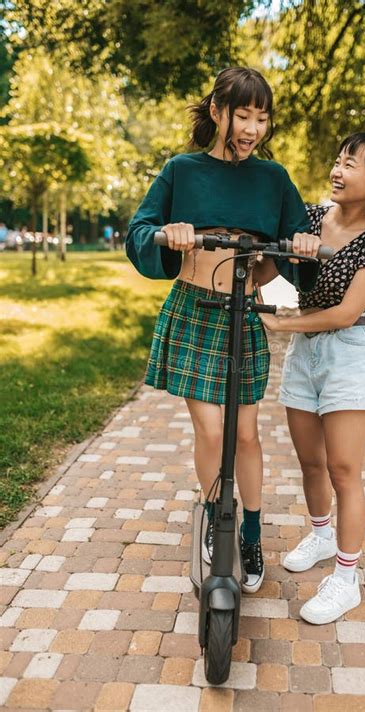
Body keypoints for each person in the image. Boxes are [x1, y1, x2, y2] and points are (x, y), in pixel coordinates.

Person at [126, 67, 320, 594]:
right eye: (243, 115)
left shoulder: (273, 179)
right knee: (212, 431)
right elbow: (138, 232)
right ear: (217, 112)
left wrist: (298, 248)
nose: (253, 128)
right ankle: (218, 515)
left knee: (247, 433)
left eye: (262, 118)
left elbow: (299, 241)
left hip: (244, 314)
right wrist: (169, 234)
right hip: (193, 311)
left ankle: (252, 533)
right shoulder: (181, 171)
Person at [255, 131, 365, 620]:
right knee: (310, 463)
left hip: (347, 352)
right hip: (306, 351)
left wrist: (283, 322)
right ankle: (322, 534)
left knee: (344, 470)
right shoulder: (307, 217)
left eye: (352, 164)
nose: (338, 169)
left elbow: (346, 314)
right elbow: (266, 267)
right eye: (339, 159)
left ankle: (346, 579)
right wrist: (280, 254)